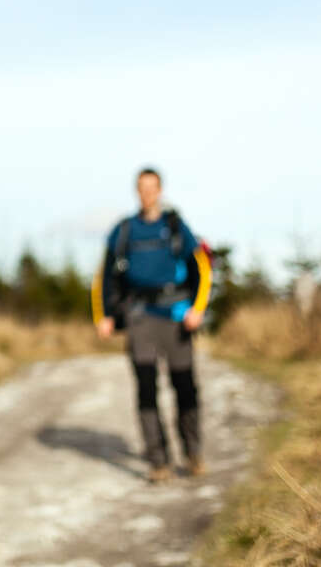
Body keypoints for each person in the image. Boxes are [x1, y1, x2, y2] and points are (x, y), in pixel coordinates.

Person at [92, 167, 211, 483]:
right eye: (142, 187)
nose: (147, 193)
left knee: (184, 387)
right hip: (140, 317)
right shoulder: (124, 230)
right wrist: (103, 315)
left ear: (160, 190)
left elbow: (202, 267)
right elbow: (104, 275)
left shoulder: (175, 226)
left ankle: (193, 452)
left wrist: (198, 309)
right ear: (137, 191)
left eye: (152, 187)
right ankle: (159, 461)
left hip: (177, 317)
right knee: (146, 389)